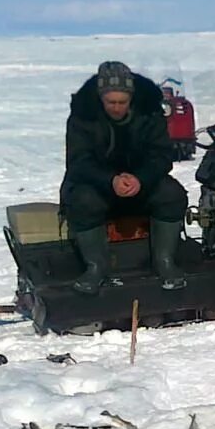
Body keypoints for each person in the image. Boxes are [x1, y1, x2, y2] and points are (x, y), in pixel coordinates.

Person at [60, 61, 188, 294]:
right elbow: (78, 162)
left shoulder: (149, 111)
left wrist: (141, 179)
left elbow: (161, 155)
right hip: (96, 185)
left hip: (140, 183)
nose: (117, 107)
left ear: (131, 99)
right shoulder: (83, 115)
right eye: (111, 102)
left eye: (122, 102)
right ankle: (96, 267)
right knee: (83, 201)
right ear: (101, 98)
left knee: (172, 194)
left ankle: (165, 262)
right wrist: (111, 180)